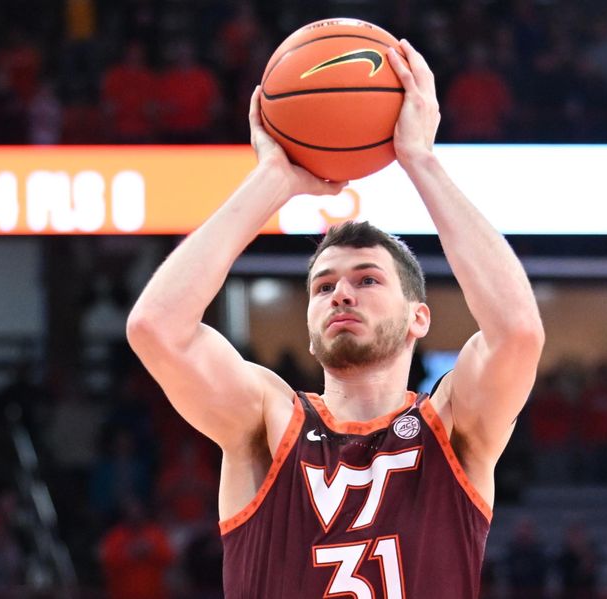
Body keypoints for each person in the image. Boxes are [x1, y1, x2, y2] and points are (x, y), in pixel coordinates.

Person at [127, 38, 544, 598]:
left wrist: (421, 160)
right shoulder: (268, 421)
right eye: (323, 286)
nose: (340, 294)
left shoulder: (454, 425)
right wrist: (272, 181)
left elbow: (517, 331)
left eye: (367, 279)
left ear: (419, 317)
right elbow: (157, 328)